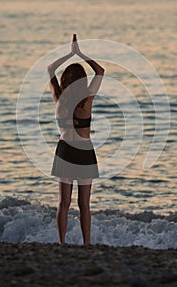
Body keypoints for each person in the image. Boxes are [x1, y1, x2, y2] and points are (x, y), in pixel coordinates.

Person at [47, 34, 105, 245]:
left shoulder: (58, 98)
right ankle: (86, 244)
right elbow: (100, 71)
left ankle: (62, 243)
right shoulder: (87, 98)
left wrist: (68, 54)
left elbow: (49, 69)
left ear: (64, 79)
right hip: (84, 151)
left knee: (63, 203)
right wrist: (80, 53)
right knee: (84, 204)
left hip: (64, 150)